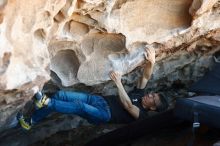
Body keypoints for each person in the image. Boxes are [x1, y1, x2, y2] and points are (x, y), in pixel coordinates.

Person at [17, 48, 169, 130]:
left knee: (79, 106)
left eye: (152, 98)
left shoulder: (141, 116)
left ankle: (46, 103)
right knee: (60, 95)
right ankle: (30, 121)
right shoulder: (140, 94)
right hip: (99, 100)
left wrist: (118, 83)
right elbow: (145, 78)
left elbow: (128, 105)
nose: (149, 95)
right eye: (152, 94)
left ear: (153, 107)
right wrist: (152, 63)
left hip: (103, 114)